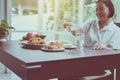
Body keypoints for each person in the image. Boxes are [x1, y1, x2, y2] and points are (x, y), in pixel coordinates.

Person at [62, 0, 120, 80]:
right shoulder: (91, 22)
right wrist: (71, 26)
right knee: (63, 70)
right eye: (96, 9)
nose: (98, 12)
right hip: (82, 61)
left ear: (110, 9)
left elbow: (116, 53)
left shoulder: (116, 31)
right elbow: (77, 32)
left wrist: (103, 47)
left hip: (100, 67)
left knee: (67, 72)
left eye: (101, 9)